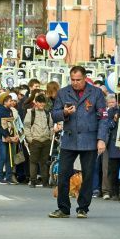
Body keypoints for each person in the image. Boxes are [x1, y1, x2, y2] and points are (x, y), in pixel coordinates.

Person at [49, 65, 109, 219]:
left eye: (78, 80)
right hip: (69, 139)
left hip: (89, 139)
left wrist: (101, 139)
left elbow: (103, 117)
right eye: (73, 80)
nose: (75, 83)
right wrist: (64, 113)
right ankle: (63, 208)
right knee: (62, 175)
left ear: (85, 78)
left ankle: (83, 208)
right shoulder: (63, 92)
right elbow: (54, 115)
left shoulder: (96, 93)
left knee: (88, 175)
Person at [23, 94, 53, 187]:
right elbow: (26, 126)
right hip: (35, 140)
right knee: (33, 161)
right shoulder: (30, 113)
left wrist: (50, 137)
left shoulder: (48, 113)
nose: (42, 104)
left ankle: (45, 181)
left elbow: (51, 126)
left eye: (43, 102)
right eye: (39, 102)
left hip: (46, 140)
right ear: (35, 102)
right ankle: (33, 181)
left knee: (44, 162)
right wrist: (30, 139)